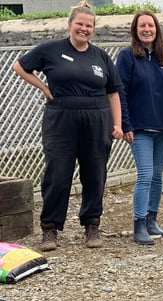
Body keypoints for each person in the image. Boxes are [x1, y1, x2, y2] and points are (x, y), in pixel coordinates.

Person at [12, 0, 123, 252]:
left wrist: (117, 123)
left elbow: (114, 92)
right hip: (61, 117)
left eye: (89, 26)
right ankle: (50, 228)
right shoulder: (51, 49)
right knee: (58, 174)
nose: (84, 29)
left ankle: (92, 224)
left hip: (97, 117)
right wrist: (43, 88)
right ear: (70, 24)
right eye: (80, 24)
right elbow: (19, 66)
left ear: (93, 29)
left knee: (95, 173)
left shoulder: (100, 56)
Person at [116, 10, 163, 246]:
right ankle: (139, 223)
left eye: (151, 26)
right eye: (142, 25)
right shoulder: (127, 57)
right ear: (135, 30)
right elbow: (120, 93)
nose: (147, 29)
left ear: (157, 30)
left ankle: (152, 219)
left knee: (157, 176)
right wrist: (125, 124)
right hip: (140, 128)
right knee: (145, 175)